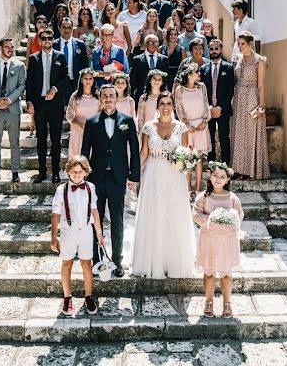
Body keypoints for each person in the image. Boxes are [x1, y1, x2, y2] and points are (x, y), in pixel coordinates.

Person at [132, 91, 197, 278]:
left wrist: (188, 182)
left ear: (173, 106)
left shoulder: (181, 127)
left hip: (174, 176)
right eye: (162, 103)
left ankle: (173, 261)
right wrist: (134, 174)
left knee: (174, 215)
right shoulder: (148, 127)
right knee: (155, 215)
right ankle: (153, 261)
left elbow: (186, 153)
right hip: (153, 173)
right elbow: (143, 152)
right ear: (158, 106)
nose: (166, 107)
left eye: (169, 103)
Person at [81, 85, 140, 278]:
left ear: (117, 98)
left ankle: (117, 261)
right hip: (96, 178)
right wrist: (82, 177)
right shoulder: (91, 121)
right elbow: (84, 152)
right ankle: (97, 261)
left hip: (117, 178)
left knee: (117, 221)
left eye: (111, 96)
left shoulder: (127, 120)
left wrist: (134, 175)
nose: (107, 99)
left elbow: (134, 150)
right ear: (100, 98)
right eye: (104, 96)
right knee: (94, 222)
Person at [51, 155, 105, 317]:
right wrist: (53, 236)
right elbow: (55, 215)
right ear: (68, 172)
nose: (76, 174)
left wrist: (99, 232)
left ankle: (88, 296)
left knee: (86, 264)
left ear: (85, 172)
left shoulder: (91, 188)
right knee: (67, 263)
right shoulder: (61, 190)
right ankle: (67, 296)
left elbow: (94, 211)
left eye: (80, 172)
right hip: (68, 232)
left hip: (86, 231)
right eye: (73, 172)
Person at [193, 163, 243, 318]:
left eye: (222, 177)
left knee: (226, 273)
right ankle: (208, 301)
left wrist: (229, 220)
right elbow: (195, 214)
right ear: (210, 176)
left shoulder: (232, 198)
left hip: (227, 241)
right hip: (209, 239)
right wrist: (211, 219)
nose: (218, 179)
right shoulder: (204, 197)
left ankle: (227, 303)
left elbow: (239, 215)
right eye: (215, 175)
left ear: (227, 179)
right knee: (209, 272)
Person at [26, 28, 70, 184]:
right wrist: (29, 102)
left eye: (50, 38)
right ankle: (42, 171)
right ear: (39, 40)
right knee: (41, 139)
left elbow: (66, 78)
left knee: (56, 139)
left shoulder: (61, 57)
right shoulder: (33, 58)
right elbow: (29, 82)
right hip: (39, 104)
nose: (47, 41)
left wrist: (55, 89)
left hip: (55, 104)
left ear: (53, 39)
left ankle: (56, 172)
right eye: (44, 38)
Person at [0, 38, 27, 183]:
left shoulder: (20, 66)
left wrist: (9, 100)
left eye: (12, 47)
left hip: (13, 109)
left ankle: (15, 171)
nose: (10, 49)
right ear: (0, 48)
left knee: (15, 142)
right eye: (7, 47)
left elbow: (21, 85)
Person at [231, 32, 268, 179]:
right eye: (238, 44)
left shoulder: (259, 61)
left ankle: (253, 171)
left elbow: (261, 86)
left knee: (251, 134)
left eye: (243, 44)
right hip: (239, 97)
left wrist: (261, 106)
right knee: (240, 135)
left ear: (250, 44)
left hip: (252, 97)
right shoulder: (239, 59)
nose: (240, 47)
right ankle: (241, 170)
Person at [174, 64, 210, 195]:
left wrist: (205, 121)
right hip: (187, 127)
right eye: (196, 72)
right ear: (189, 75)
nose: (199, 74)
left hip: (201, 126)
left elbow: (206, 104)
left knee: (199, 157)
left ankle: (198, 188)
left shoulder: (202, 87)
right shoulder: (180, 90)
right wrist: (186, 125)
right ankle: (188, 189)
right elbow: (179, 109)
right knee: (188, 156)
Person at [202, 39, 235, 163]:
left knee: (224, 137)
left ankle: (226, 164)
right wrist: (209, 107)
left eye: (216, 48)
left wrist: (220, 108)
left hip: (223, 109)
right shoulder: (204, 68)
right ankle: (211, 163)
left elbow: (231, 91)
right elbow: (202, 91)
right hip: (208, 110)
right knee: (209, 137)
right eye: (211, 48)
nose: (214, 51)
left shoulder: (229, 67)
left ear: (221, 50)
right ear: (208, 50)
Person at [53, 18, 90, 102]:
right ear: (59, 28)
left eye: (69, 27)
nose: (66, 30)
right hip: (57, 84)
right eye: (64, 27)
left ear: (72, 28)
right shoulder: (54, 45)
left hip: (75, 83)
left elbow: (85, 66)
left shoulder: (80, 45)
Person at [66, 69, 100, 158]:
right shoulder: (75, 96)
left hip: (93, 130)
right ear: (81, 80)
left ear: (93, 80)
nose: (88, 81)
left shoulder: (98, 96)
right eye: (85, 78)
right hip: (78, 131)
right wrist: (79, 123)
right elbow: (69, 114)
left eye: (90, 78)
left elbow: (101, 113)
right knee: (77, 155)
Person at [129, 34, 169, 102]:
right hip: (142, 95)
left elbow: (167, 78)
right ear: (145, 44)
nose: (153, 44)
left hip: (159, 95)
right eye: (151, 42)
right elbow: (133, 79)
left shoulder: (164, 59)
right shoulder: (137, 59)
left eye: (155, 42)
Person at [136, 69, 168, 137]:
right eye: (154, 78)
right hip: (148, 132)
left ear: (162, 82)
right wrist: (142, 132)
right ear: (150, 80)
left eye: (159, 79)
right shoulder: (144, 98)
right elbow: (140, 118)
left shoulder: (165, 97)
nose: (157, 81)